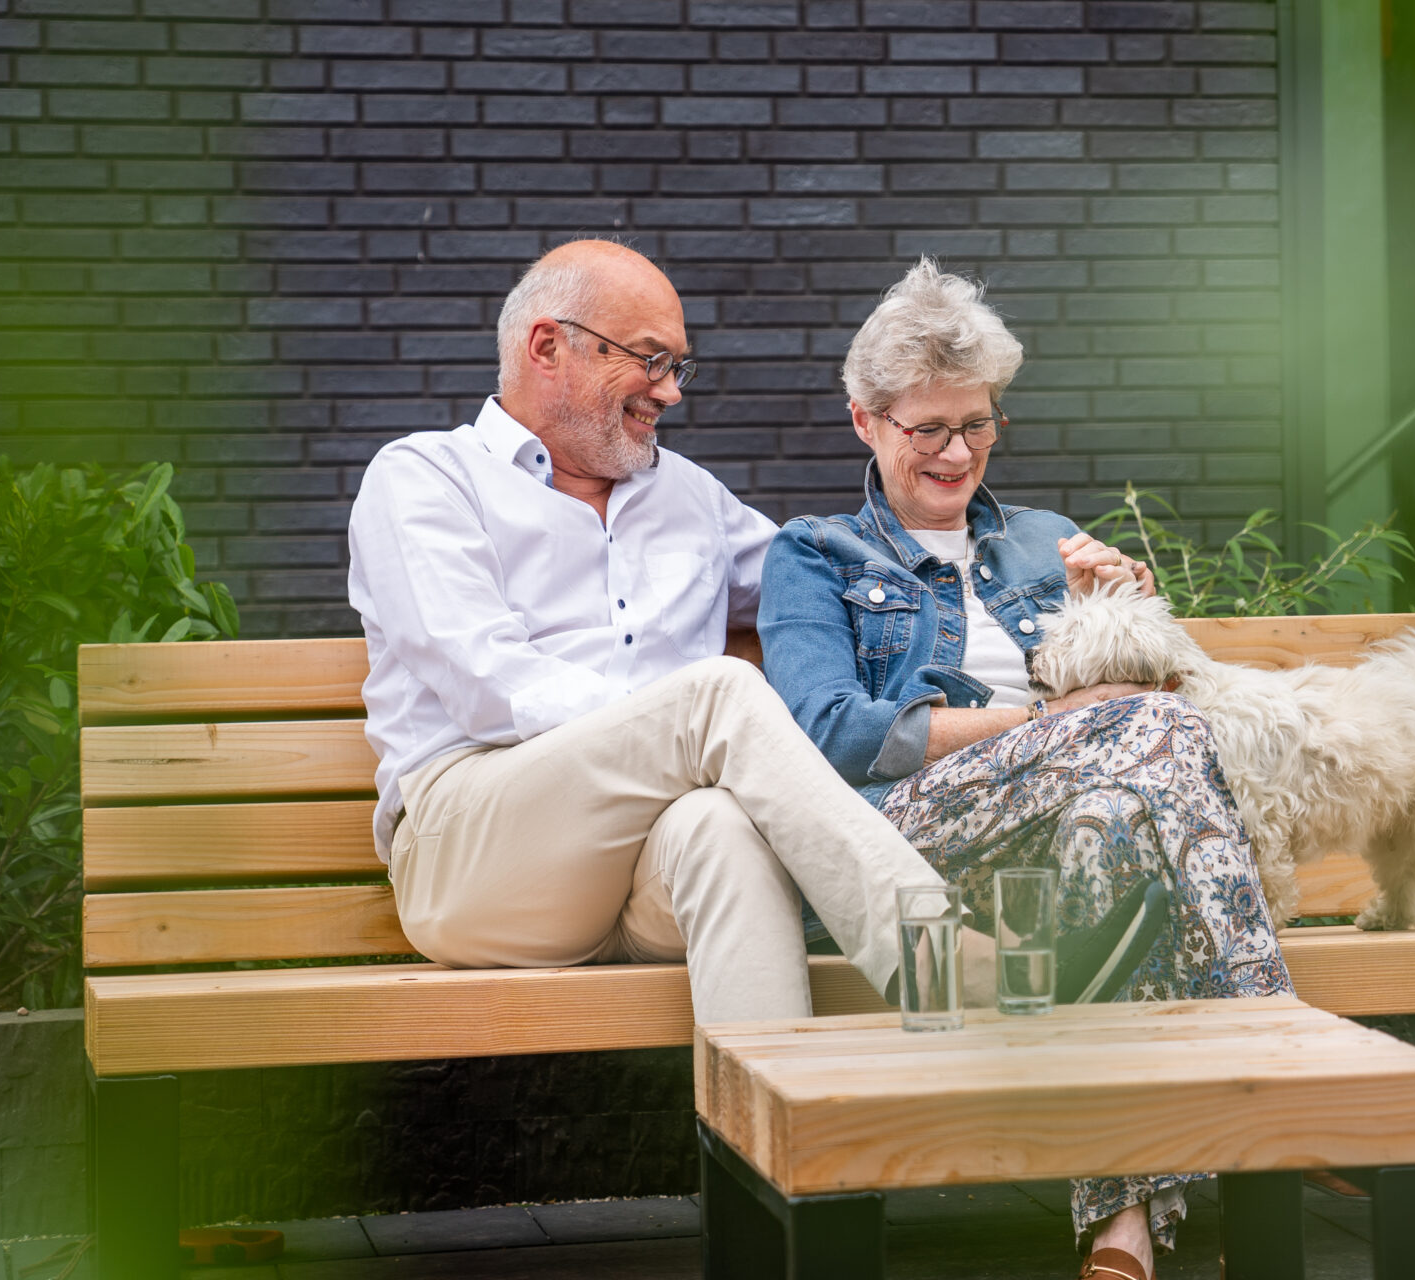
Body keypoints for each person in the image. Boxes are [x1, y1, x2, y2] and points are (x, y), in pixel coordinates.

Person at [346, 240, 1157, 1029]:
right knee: (716, 695)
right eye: (650, 360)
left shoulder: (691, 499)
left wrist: (1100, 604)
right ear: (549, 346)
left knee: (723, 828)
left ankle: (774, 1141)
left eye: (678, 368)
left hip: (645, 864)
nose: (670, 393)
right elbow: (492, 685)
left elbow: (843, 580)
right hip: (479, 856)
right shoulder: (425, 479)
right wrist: (671, 724)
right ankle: (939, 960)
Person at [758, 259, 1295, 1280]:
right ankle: (1272, 1043)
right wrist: (1049, 720)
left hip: (1061, 855)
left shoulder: (1046, 540)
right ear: (864, 419)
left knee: (1118, 825)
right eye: (929, 428)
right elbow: (830, 730)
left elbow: (1154, 708)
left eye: (979, 423)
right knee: (1138, 738)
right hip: (902, 844)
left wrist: (1128, 610)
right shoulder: (814, 553)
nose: (958, 451)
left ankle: (1122, 1232)